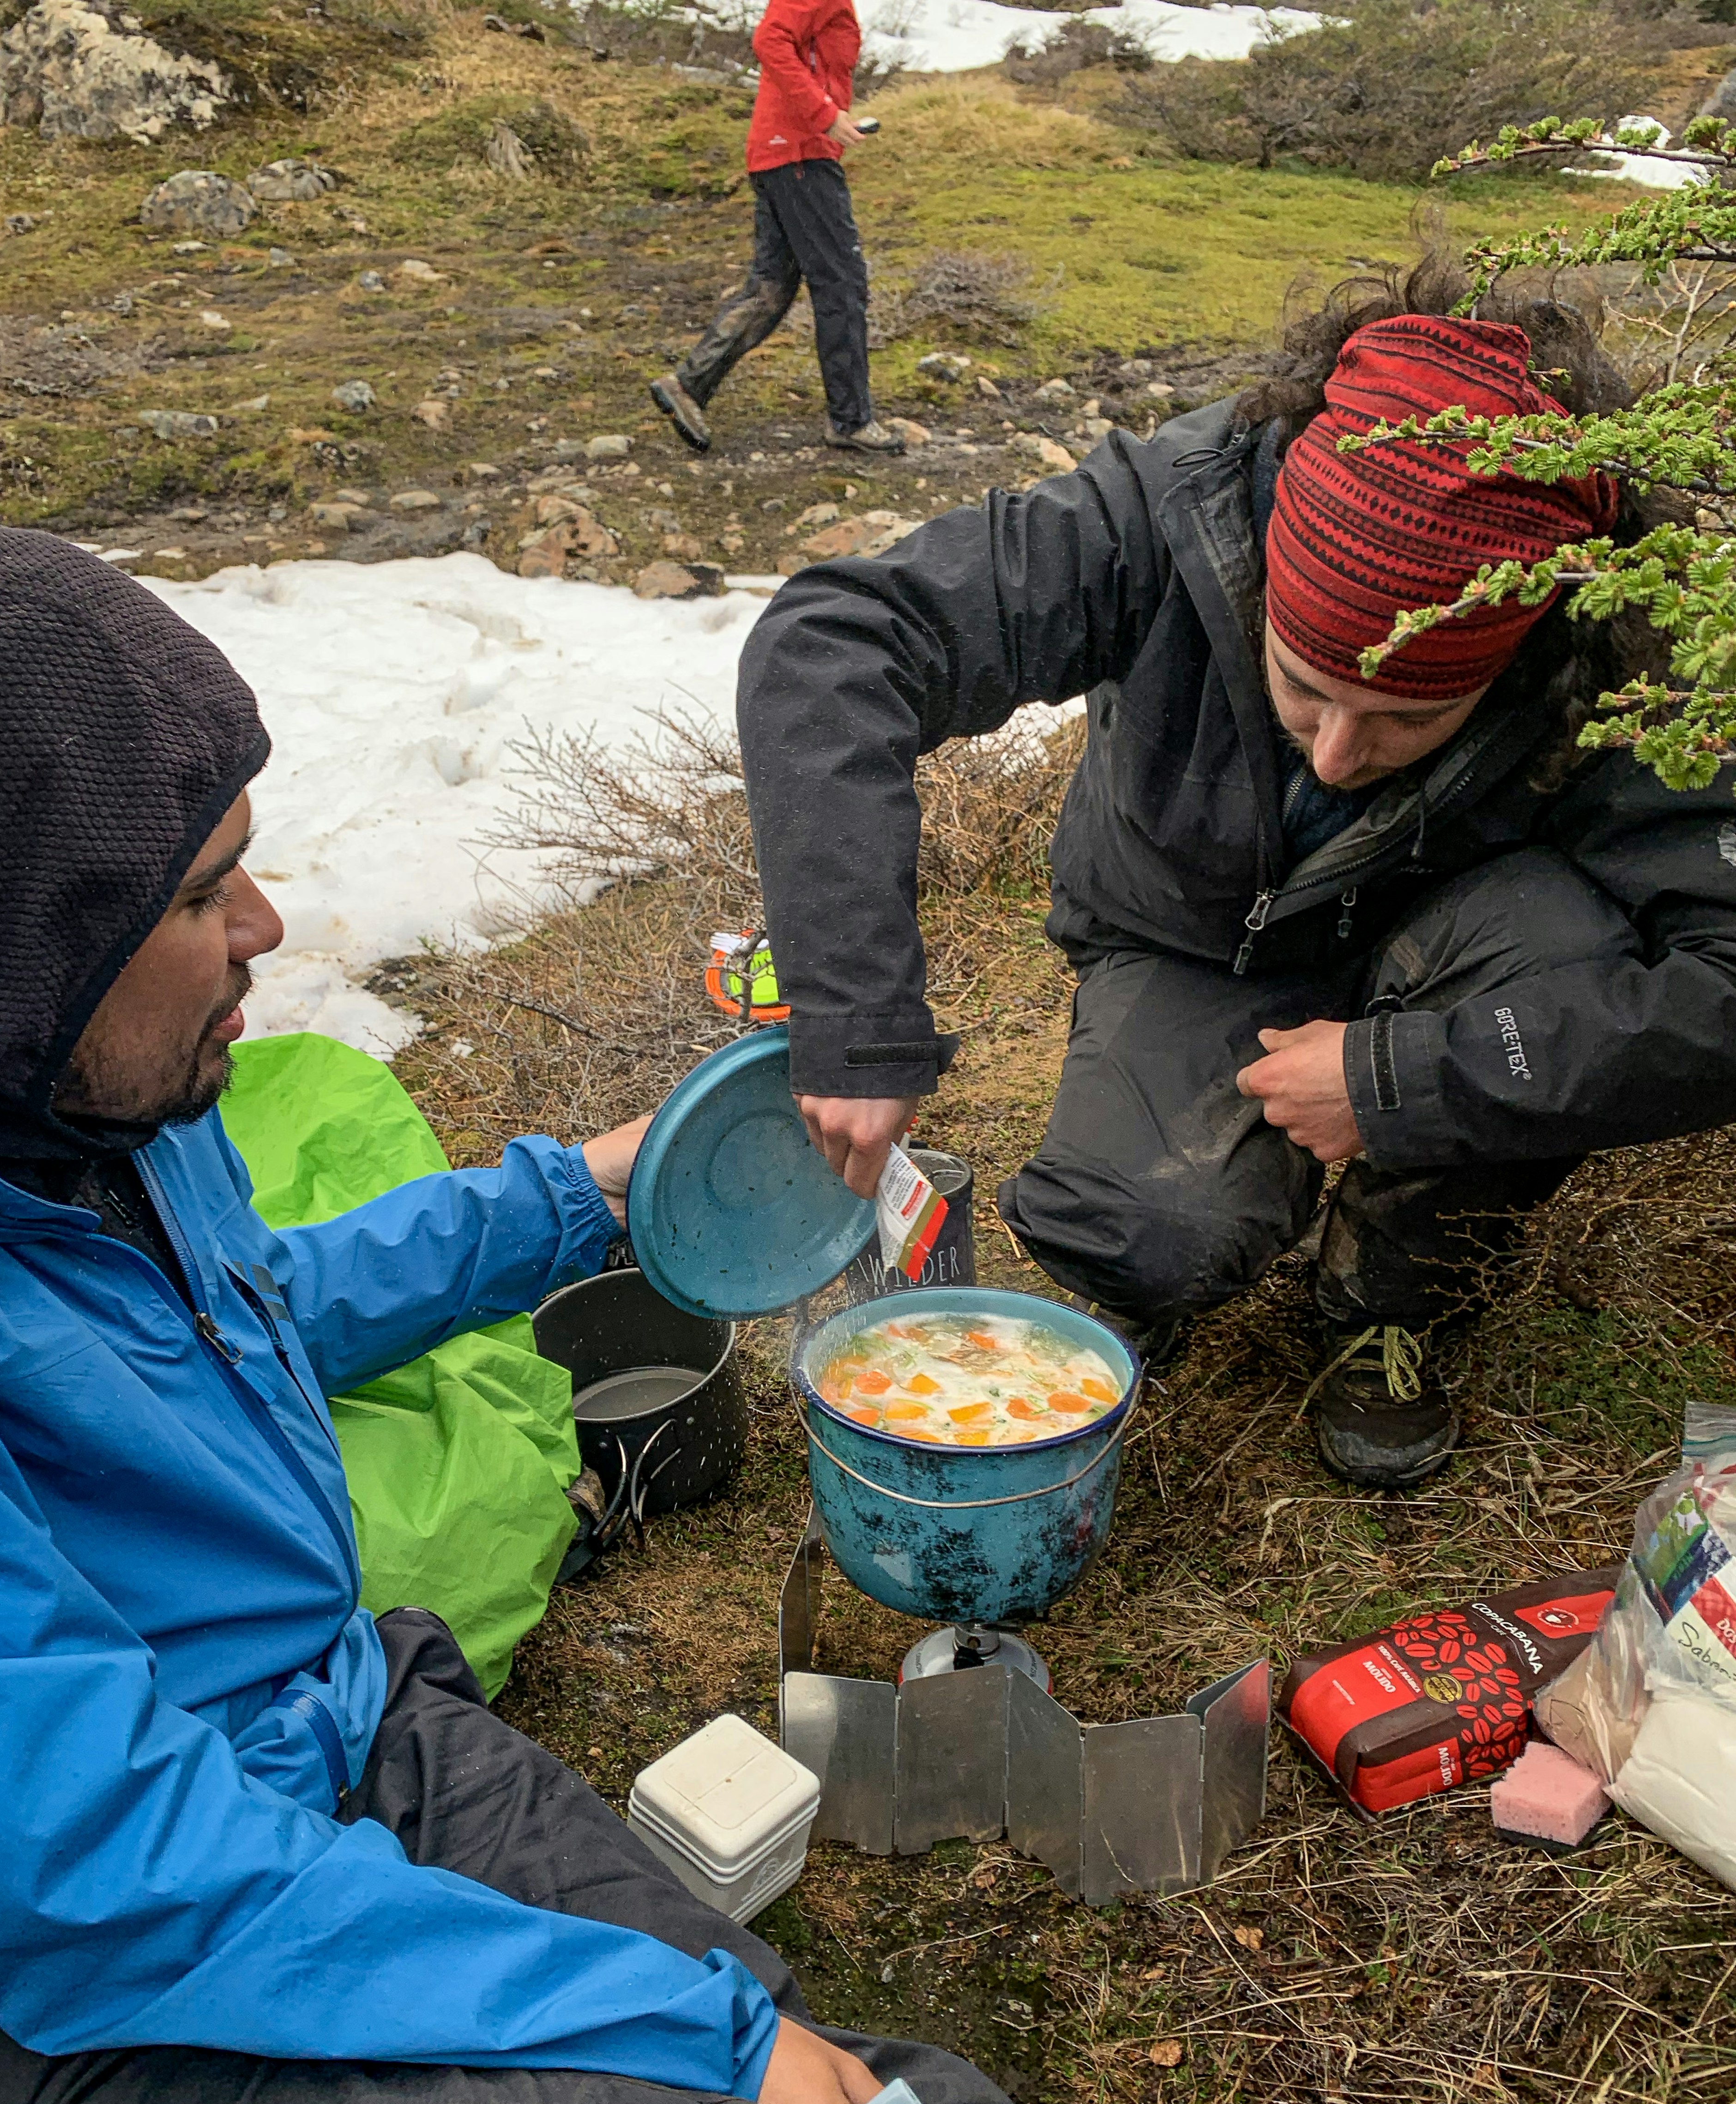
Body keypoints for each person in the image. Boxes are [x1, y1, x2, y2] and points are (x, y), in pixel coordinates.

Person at [0, 524, 1325, 2104]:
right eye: (203, 897)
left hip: (336, 1727)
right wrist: (699, 2043)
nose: (270, 930)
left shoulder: (86, 1111)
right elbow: (109, 1873)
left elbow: (247, 1300)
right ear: (12, 959)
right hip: (69, 2029)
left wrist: (587, 1192)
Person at [736, 263, 1736, 1489]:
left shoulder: (1614, 630)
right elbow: (836, 640)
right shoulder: (1172, 513)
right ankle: (1228, 1181)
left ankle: (1396, 1296)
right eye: (1305, 690)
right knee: (1143, 1242)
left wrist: (1400, 1079)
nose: (1337, 753)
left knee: (1563, 955)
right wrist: (855, 1016)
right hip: (1194, 945)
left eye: (1410, 721)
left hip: (1466, 962)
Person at [648, 0, 905, 457]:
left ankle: (689, 385)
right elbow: (770, 40)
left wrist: (830, 117)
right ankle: (850, 421)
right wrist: (825, 115)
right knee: (842, 283)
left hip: (783, 154)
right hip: (800, 155)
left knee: (772, 288)